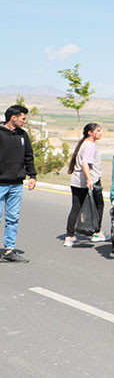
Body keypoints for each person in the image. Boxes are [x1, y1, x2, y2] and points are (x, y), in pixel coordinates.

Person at [0, 105, 36, 262]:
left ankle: (9, 250)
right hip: (0, 183)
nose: (25, 121)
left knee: (13, 218)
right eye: (23, 118)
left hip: (16, 184)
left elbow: (29, 156)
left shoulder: (22, 135)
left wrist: (32, 175)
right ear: (13, 118)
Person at [64, 123, 106, 247]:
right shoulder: (90, 145)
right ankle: (96, 232)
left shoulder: (84, 144)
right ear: (90, 133)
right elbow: (85, 163)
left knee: (76, 208)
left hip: (76, 180)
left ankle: (69, 236)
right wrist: (89, 179)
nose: (100, 133)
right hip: (90, 180)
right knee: (99, 205)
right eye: (98, 130)